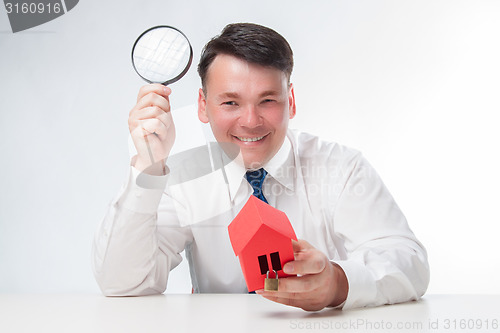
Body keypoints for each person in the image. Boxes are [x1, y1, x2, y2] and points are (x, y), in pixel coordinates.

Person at [92, 23, 429, 311]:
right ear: (202, 106)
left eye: (268, 100)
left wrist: (339, 283)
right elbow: (122, 284)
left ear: (291, 101)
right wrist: (147, 168)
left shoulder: (341, 167)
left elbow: (408, 261)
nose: (251, 122)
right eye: (230, 102)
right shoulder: (184, 176)